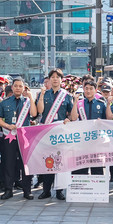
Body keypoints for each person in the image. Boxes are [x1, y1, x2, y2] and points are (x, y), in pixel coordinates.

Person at [36, 68, 76, 200]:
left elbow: (72, 115)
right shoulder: (44, 94)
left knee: (60, 161)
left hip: (60, 132)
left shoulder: (66, 96)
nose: (55, 79)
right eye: (52, 77)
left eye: (57, 77)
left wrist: (68, 120)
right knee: (47, 161)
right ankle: (46, 190)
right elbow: (39, 111)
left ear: (61, 80)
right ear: (49, 79)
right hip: (47, 131)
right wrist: (41, 96)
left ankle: (60, 191)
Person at [0, 78, 37, 200]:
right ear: (12, 87)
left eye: (20, 86)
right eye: (16, 86)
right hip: (9, 137)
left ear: (24, 88)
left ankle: (27, 190)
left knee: (26, 163)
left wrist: (30, 97)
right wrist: (8, 126)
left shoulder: (28, 102)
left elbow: (34, 114)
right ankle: (9, 189)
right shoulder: (5, 102)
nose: (18, 88)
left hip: (25, 137)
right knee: (9, 162)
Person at [74, 79, 107, 176]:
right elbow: (73, 118)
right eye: (86, 88)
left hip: (96, 141)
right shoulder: (79, 103)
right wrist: (75, 103)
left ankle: (97, 190)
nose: (88, 91)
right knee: (80, 168)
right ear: (83, 89)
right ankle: (80, 189)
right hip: (81, 140)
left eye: (91, 89)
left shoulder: (101, 104)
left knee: (97, 168)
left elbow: (107, 121)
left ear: (96, 90)